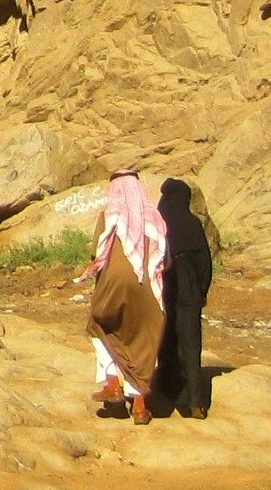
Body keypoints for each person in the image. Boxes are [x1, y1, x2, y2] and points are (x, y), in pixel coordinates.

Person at [81, 164, 167, 424]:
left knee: (99, 326)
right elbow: (166, 257)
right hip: (149, 289)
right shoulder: (156, 218)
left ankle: (112, 384)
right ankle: (140, 407)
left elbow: (97, 254)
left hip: (114, 284)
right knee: (142, 341)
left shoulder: (109, 216)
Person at [156, 177, 213, 418]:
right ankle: (195, 401)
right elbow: (204, 263)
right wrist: (201, 291)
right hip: (189, 288)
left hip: (163, 286)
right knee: (190, 342)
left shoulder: (158, 224)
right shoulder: (192, 224)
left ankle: (167, 396)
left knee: (165, 339)